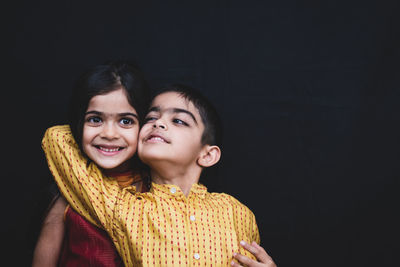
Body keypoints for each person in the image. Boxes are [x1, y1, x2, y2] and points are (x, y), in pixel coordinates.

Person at [42, 84, 276, 266]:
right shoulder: (121, 208)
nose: (158, 124)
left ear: (207, 155)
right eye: (150, 118)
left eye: (178, 120)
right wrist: (125, 137)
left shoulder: (237, 212)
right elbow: (57, 138)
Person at [32, 60, 151, 266]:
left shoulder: (155, 189)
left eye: (126, 121)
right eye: (95, 119)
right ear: (79, 122)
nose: (109, 134)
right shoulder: (67, 193)